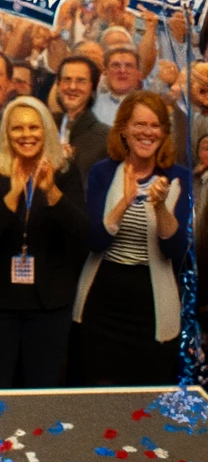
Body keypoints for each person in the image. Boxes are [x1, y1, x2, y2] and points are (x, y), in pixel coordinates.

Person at [73, 91, 190, 385]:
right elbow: (94, 241)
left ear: (164, 132)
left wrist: (161, 206)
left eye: (155, 126)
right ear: (123, 129)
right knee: (97, 394)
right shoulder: (103, 171)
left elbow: (175, 250)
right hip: (101, 304)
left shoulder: (179, 178)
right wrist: (124, 202)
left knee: (147, 398)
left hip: (151, 307)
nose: (147, 133)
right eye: (139, 124)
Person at [0, 97, 88, 388]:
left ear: (47, 130)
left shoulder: (64, 172)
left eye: (34, 127)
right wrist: (12, 195)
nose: (26, 135)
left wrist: (50, 193)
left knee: (42, 390)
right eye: (18, 128)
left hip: (50, 303)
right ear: (6, 134)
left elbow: (82, 231)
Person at [55, 55, 109, 189]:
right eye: (67, 80)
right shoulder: (44, 126)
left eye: (81, 81)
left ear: (92, 87)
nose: (72, 87)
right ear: (58, 85)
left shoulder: (106, 138)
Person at [92, 46, 142, 126]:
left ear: (138, 73)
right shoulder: (93, 105)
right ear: (105, 72)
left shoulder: (148, 104)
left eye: (129, 65)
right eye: (116, 65)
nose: (122, 71)